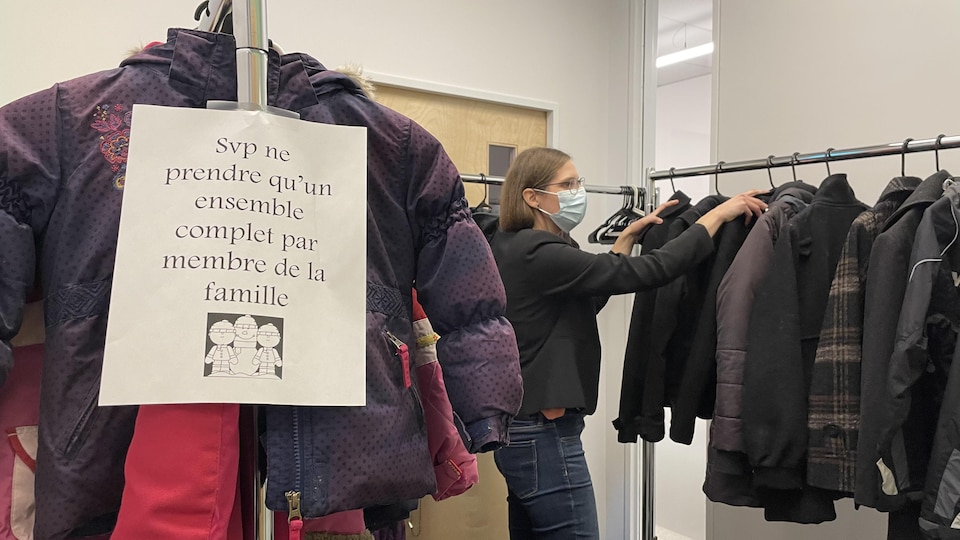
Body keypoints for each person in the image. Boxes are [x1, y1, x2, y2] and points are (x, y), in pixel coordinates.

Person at [490, 147, 766, 539]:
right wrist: (716, 216)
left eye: (578, 182)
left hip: (525, 429)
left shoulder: (516, 245)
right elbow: (654, 269)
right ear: (532, 197)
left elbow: (583, 303)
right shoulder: (538, 251)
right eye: (567, 185)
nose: (577, 191)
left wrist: (622, 241)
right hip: (543, 432)